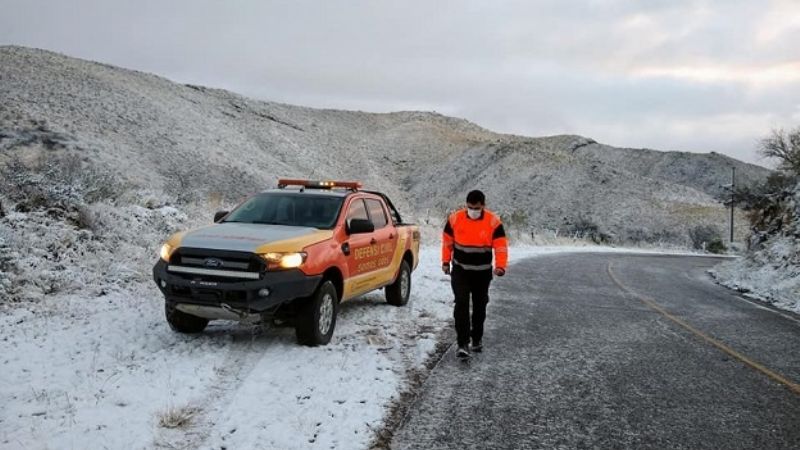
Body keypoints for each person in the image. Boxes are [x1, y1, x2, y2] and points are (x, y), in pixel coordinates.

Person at [441, 190, 508, 358]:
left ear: (483, 206)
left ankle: (476, 338)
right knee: (461, 304)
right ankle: (462, 343)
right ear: (466, 205)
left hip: (482, 273)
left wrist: (501, 266)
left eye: (476, 208)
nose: (473, 211)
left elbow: (500, 246)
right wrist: (445, 261)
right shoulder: (455, 219)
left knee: (480, 306)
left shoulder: (493, 222)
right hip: (460, 271)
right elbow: (447, 242)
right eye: (470, 207)